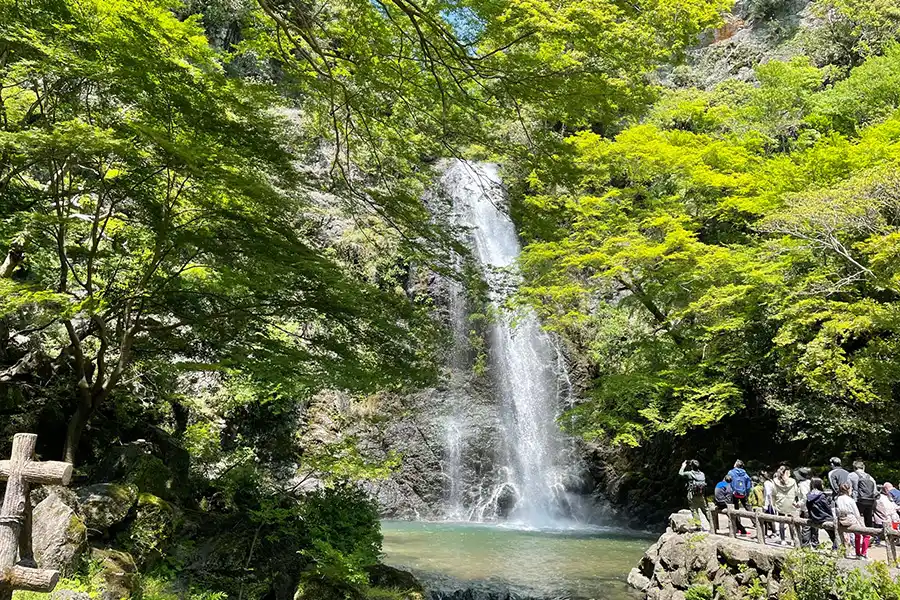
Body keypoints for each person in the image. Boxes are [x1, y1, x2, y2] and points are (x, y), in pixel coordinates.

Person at [836, 482, 869, 559]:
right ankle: (863, 553)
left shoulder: (838, 499)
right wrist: (862, 524)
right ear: (848, 489)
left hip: (842, 519)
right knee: (866, 535)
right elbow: (857, 513)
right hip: (851, 519)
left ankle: (857, 553)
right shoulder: (850, 500)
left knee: (857, 535)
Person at [679, 460, 710, 532]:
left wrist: (683, 466)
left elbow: (680, 473)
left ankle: (698, 526)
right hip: (701, 495)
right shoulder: (702, 474)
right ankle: (712, 523)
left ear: (692, 466)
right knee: (706, 510)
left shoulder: (690, 474)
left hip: (692, 495)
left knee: (694, 510)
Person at [773, 465, 800, 546]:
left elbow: (774, 492)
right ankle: (793, 540)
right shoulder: (792, 481)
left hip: (780, 502)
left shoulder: (775, 481)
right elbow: (796, 492)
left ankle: (783, 539)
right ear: (787, 472)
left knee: (781, 522)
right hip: (790, 502)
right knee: (791, 522)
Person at [807, 477, 837, 550]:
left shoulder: (809, 495)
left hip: (814, 518)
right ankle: (836, 547)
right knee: (834, 533)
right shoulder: (822, 496)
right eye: (822, 484)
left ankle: (815, 544)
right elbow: (827, 508)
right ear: (818, 485)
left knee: (814, 532)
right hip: (824, 517)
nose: (823, 485)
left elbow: (808, 507)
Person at [727, 460, 752, 536]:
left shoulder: (731, 472)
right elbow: (748, 485)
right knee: (748, 508)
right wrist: (747, 493)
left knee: (735, 509)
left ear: (735, 465)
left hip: (734, 493)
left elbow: (728, 482)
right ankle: (756, 521)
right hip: (743, 493)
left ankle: (737, 526)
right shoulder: (745, 474)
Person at [849, 461, 877, 529]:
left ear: (854, 468)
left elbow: (849, 489)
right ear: (863, 467)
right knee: (868, 520)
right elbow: (875, 491)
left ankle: (857, 534)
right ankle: (870, 534)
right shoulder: (870, 477)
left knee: (856, 519)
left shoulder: (851, 475)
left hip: (857, 500)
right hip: (869, 501)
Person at [795, 467, 813, 546]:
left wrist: (799, 504)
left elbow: (805, 497)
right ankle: (814, 543)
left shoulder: (802, 484)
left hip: (806, 508)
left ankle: (805, 545)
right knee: (813, 527)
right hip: (812, 507)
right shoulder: (810, 482)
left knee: (806, 527)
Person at [762, 470, 777, 538]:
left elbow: (768, 494)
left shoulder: (766, 483)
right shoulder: (771, 481)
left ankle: (766, 533)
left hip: (768, 503)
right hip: (772, 502)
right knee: (771, 519)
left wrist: (767, 504)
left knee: (765, 519)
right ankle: (774, 532)